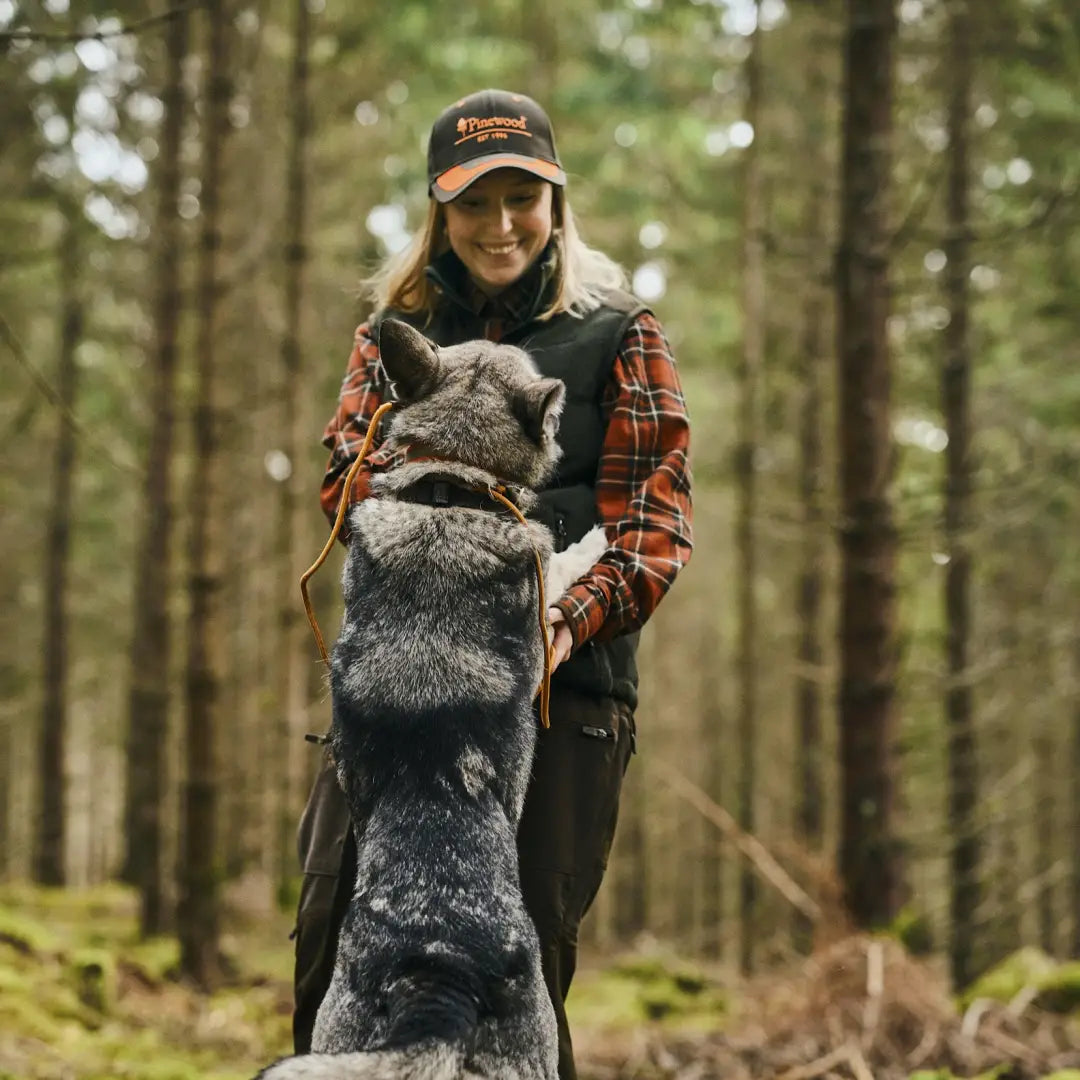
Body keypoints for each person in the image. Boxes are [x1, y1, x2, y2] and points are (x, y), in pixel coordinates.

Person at [292, 88, 693, 1080]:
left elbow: (652, 521)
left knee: (512, 983)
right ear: (441, 208)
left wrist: (561, 615)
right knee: (329, 938)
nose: (500, 224)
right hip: (399, 691)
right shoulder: (396, 333)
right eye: (476, 201)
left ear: (556, 202)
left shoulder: (618, 332)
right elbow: (341, 479)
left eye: (524, 196)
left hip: (564, 697)